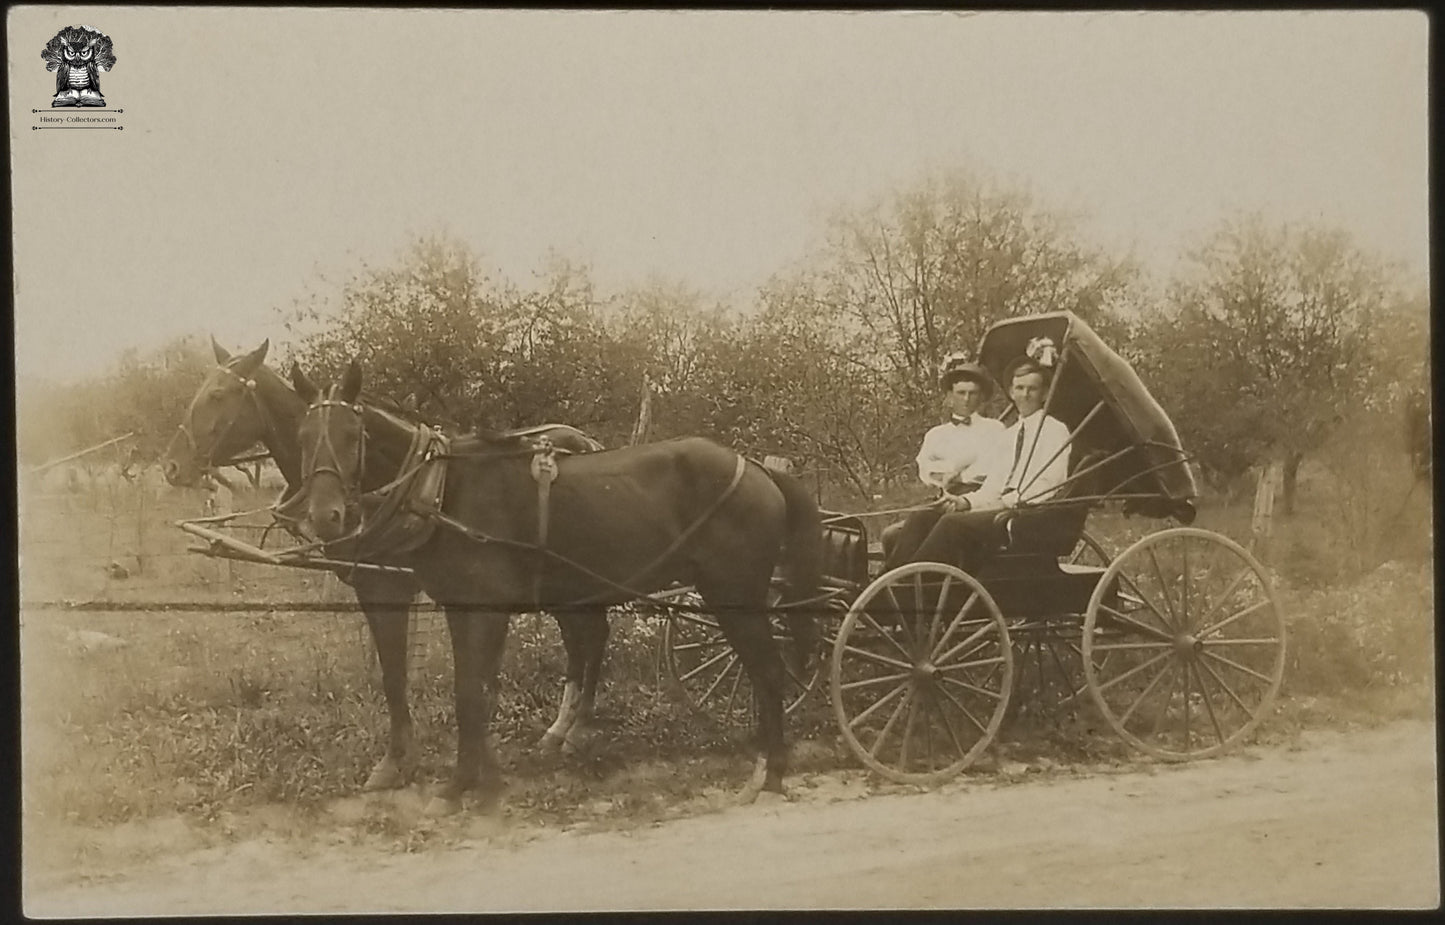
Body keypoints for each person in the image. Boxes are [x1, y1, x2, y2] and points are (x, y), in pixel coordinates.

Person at [906, 356, 1075, 576]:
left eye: (1032, 389)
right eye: (1020, 388)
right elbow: (993, 486)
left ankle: (912, 584)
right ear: (1011, 392)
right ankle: (890, 578)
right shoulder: (1010, 435)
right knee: (925, 516)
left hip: (1029, 517)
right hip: (1004, 509)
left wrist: (1006, 502)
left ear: (1044, 394)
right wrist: (965, 501)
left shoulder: (1054, 430)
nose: (1025, 395)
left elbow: (1048, 484)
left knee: (953, 525)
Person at [881, 355, 1004, 567]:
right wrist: (951, 472)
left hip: (978, 498)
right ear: (949, 396)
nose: (966, 399)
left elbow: (989, 469)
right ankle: (893, 578)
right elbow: (927, 471)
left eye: (972, 394)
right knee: (898, 530)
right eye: (961, 393)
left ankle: (907, 580)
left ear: (981, 397)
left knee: (926, 521)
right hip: (944, 496)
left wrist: (956, 471)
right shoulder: (936, 434)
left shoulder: (994, 429)